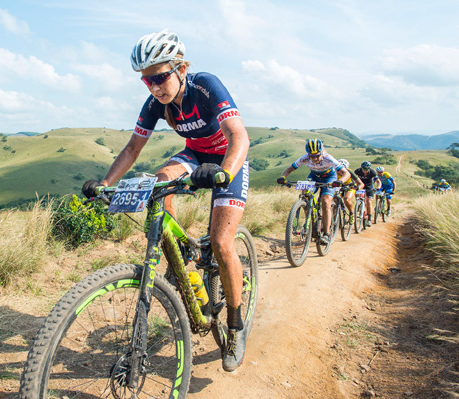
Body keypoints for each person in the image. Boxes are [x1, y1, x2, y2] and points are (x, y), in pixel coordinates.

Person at [82, 30, 251, 372]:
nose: (155, 87)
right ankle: (183, 250)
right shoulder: (156, 105)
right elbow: (132, 148)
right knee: (159, 181)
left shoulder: (205, 85)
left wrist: (224, 174)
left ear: (181, 68)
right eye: (147, 81)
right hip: (194, 155)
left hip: (227, 159)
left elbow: (239, 135)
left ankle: (235, 327)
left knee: (221, 241)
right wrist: (104, 184)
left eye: (160, 77)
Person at [277, 138, 351, 244]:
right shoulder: (304, 158)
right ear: (308, 154)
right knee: (305, 194)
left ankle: (326, 234)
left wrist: (340, 181)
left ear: (321, 152)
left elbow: (346, 173)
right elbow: (289, 169)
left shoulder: (328, 158)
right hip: (314, 177)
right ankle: (310, 219)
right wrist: (283, 177)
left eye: (317, 155)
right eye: (312, 156)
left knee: (325, 202)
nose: (315, 158)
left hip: (329, 177)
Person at [354, 161, 381, 227]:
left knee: (369, 201)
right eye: (363, 170)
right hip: (361, 185)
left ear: (369, 169)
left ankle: (369, 218)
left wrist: (377, 187)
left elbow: (378, 181)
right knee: (356, 191)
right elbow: (352, 177)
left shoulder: (372, 172)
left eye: (366, 170)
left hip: (369, 186)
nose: (365, 171)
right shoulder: (358, 171)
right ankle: (358, 202)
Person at [337, 159, 364, 224]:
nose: (339, 172)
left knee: (346, 199)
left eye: (342, 170)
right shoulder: (333, 171)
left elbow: (361, 184)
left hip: (350, 186)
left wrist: (357, 188)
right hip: (340, 187)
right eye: (338, 170)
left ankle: (351, 214)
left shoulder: (350, 172)